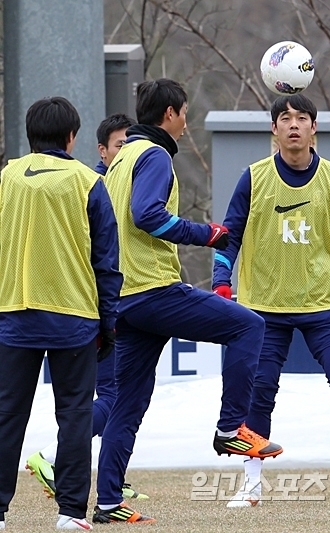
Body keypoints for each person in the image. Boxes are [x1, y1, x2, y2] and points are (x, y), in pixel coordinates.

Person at [92, 78, 283, 525]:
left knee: (127, 404)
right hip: (153, 290)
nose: (186, 123)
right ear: (172, 114)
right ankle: (230, 429)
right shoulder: (155, 154)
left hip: (123, 298)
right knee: (249, 326)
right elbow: (147, 215)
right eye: (184, 113)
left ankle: (106, 504)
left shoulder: (120, 160)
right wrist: (206, 233)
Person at [212, 93, 330, 507]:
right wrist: (222, 281)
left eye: (302, 118)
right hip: (263, 308)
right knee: (259, 391)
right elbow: (228, 235)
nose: (294, 124)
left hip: (323, 306)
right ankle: (251, 484)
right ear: (273, 130)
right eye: (285, 118)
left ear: (314, 129)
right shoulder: (253, 178)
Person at [0, 97, 123, 530]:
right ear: (72, 137)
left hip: (15, 312)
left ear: (29, 134)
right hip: (74, 316)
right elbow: (106, 261)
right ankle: (70, 513)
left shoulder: (6, 178)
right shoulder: (88, 181)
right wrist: (108, 323)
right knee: (73, 415)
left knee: (6, 415)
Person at [25, 113, 149, 502]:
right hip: (93, 310)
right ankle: (55, 462)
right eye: (119, 145)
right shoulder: (91, 185)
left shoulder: (113, 180)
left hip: (104, 305)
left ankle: (111, 480)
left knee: (118, 397)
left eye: (131, 145)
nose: (126, 152)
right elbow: (104, 257)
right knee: (109, 397)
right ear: (100, 149)